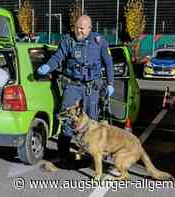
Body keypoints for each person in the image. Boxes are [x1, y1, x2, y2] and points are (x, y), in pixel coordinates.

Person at [36, 15, 114, 166]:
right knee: (67, 120)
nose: (79, 30)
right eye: (77, 27)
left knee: (92, 123)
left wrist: (110, 83)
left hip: (91, 87)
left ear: (90, 29)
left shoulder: (99, 41)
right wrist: (48, 66)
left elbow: (108, 63)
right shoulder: (68, 41)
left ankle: (93, 157)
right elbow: (58, 57)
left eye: (82, 28)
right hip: (72, 86)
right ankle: (63, 155)